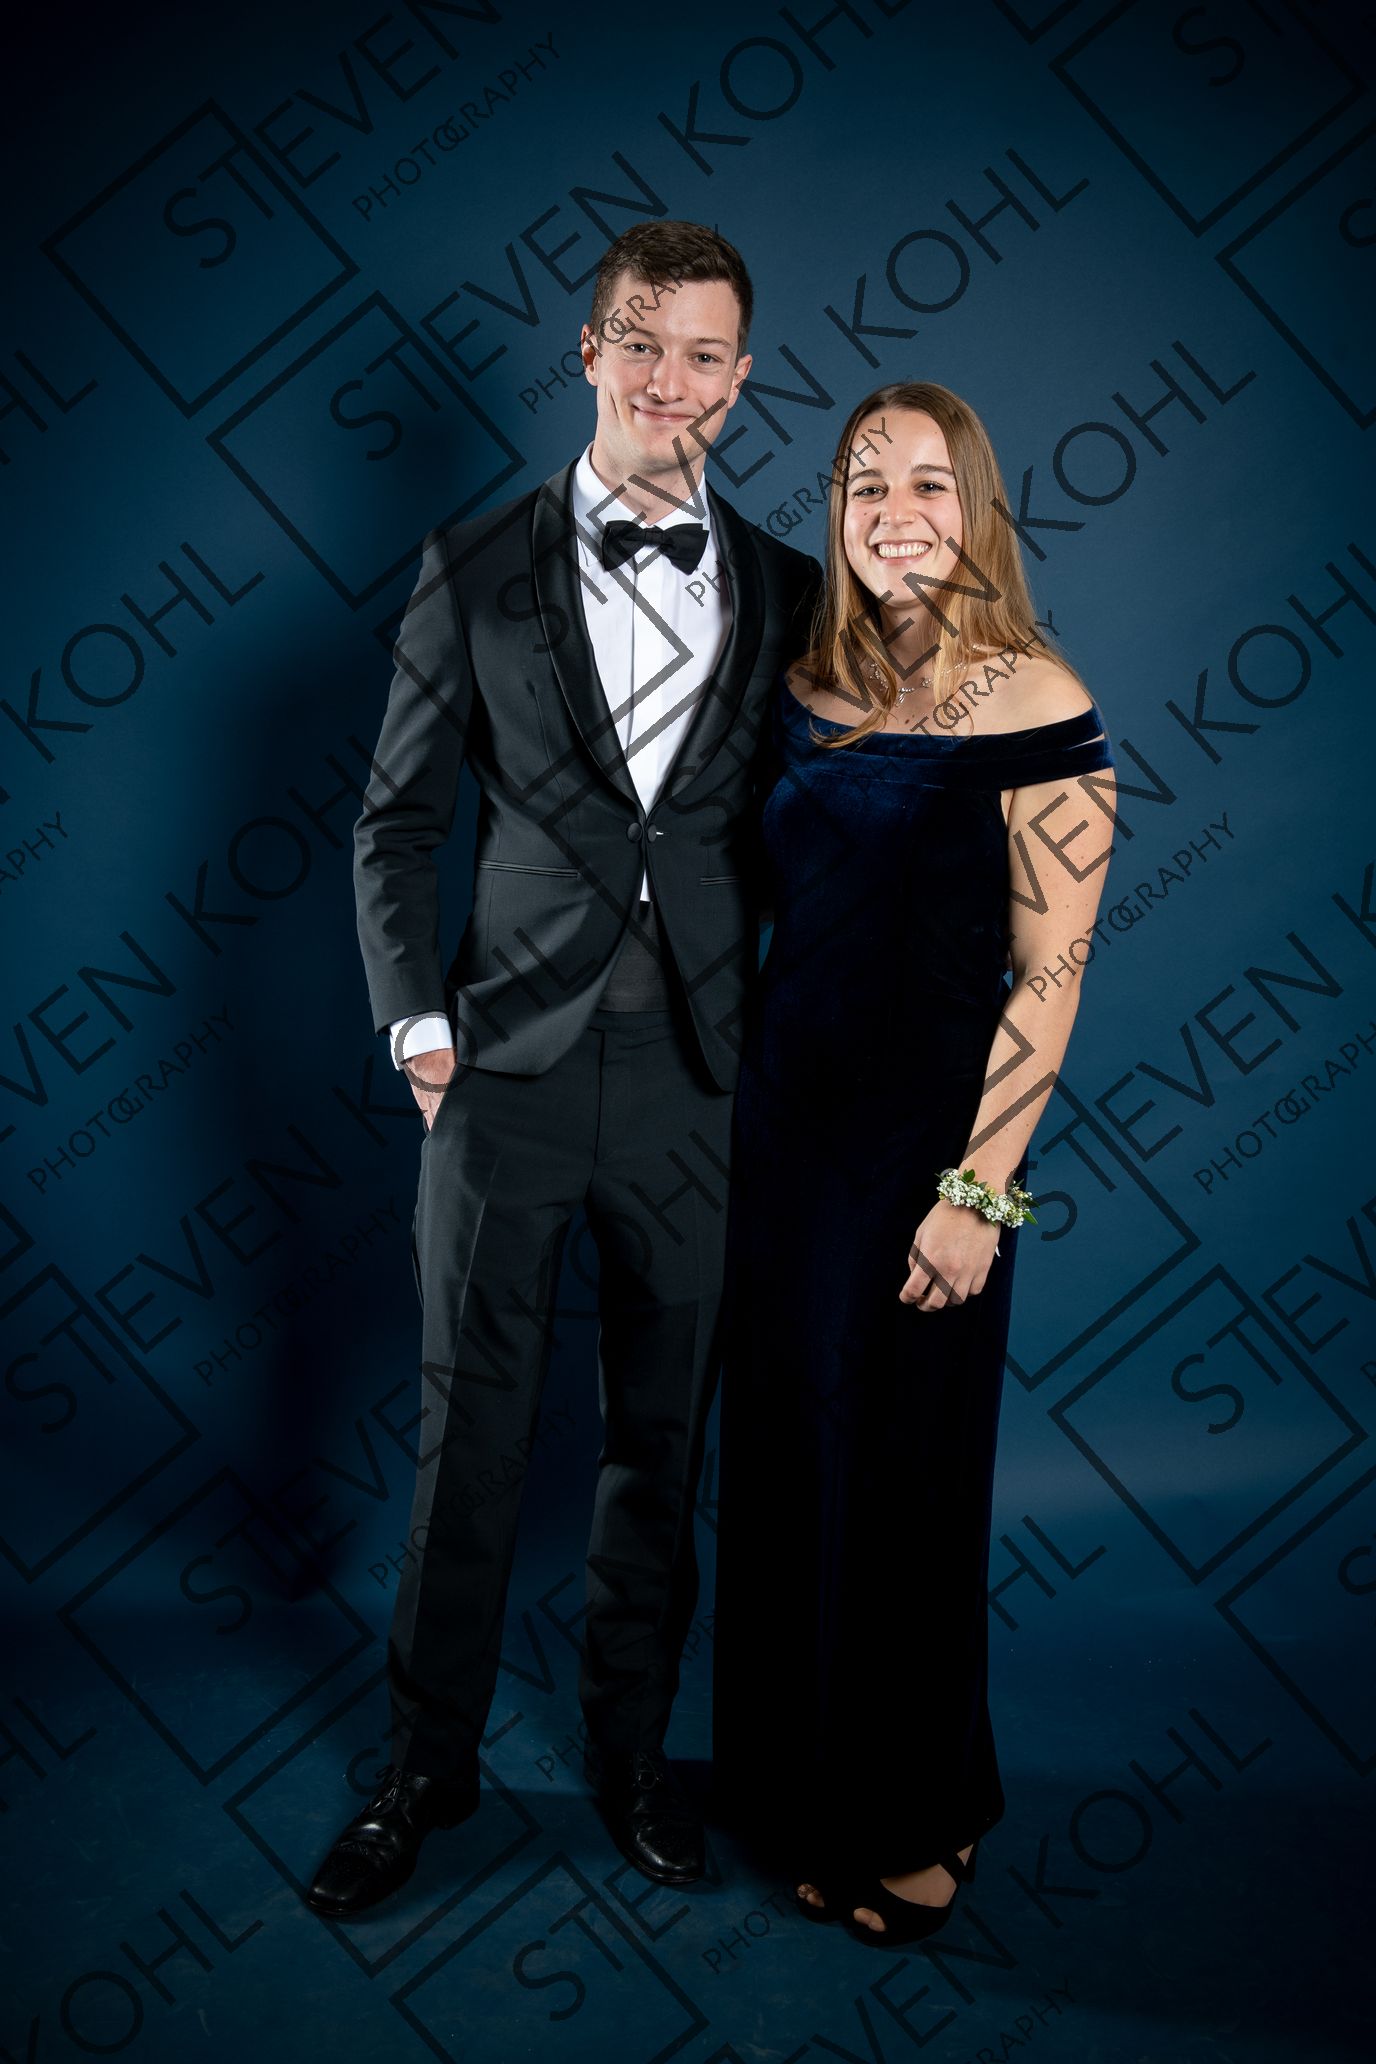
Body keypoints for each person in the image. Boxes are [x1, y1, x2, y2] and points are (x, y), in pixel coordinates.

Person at [307, 221, 820, 1917]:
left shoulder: (792, 589)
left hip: (702, 1080)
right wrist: (419, 1027)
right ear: (589, 350)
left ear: (741, 381)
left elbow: (829, 830)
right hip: (505, 1073)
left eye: (704, 355)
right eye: (642, 345)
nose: (671, 381)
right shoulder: (469, 566)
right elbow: (392, 823)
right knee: (471, 1436)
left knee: (662, 1445)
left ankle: (632, 1752)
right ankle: (423, 1766)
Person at [711, 380, 1117, 1945]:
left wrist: (978, 1194)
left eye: (929, 484)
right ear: (837, 511)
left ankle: (921, 1816)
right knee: (791, 1472)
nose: (895, 513)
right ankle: (813, 1795)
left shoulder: (1042, 701)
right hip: (782, 1142)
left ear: (977, 507)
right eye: (865, 484)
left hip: (928, 1159)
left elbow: (1051, 977)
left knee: (907, 1481)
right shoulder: (808, 687)